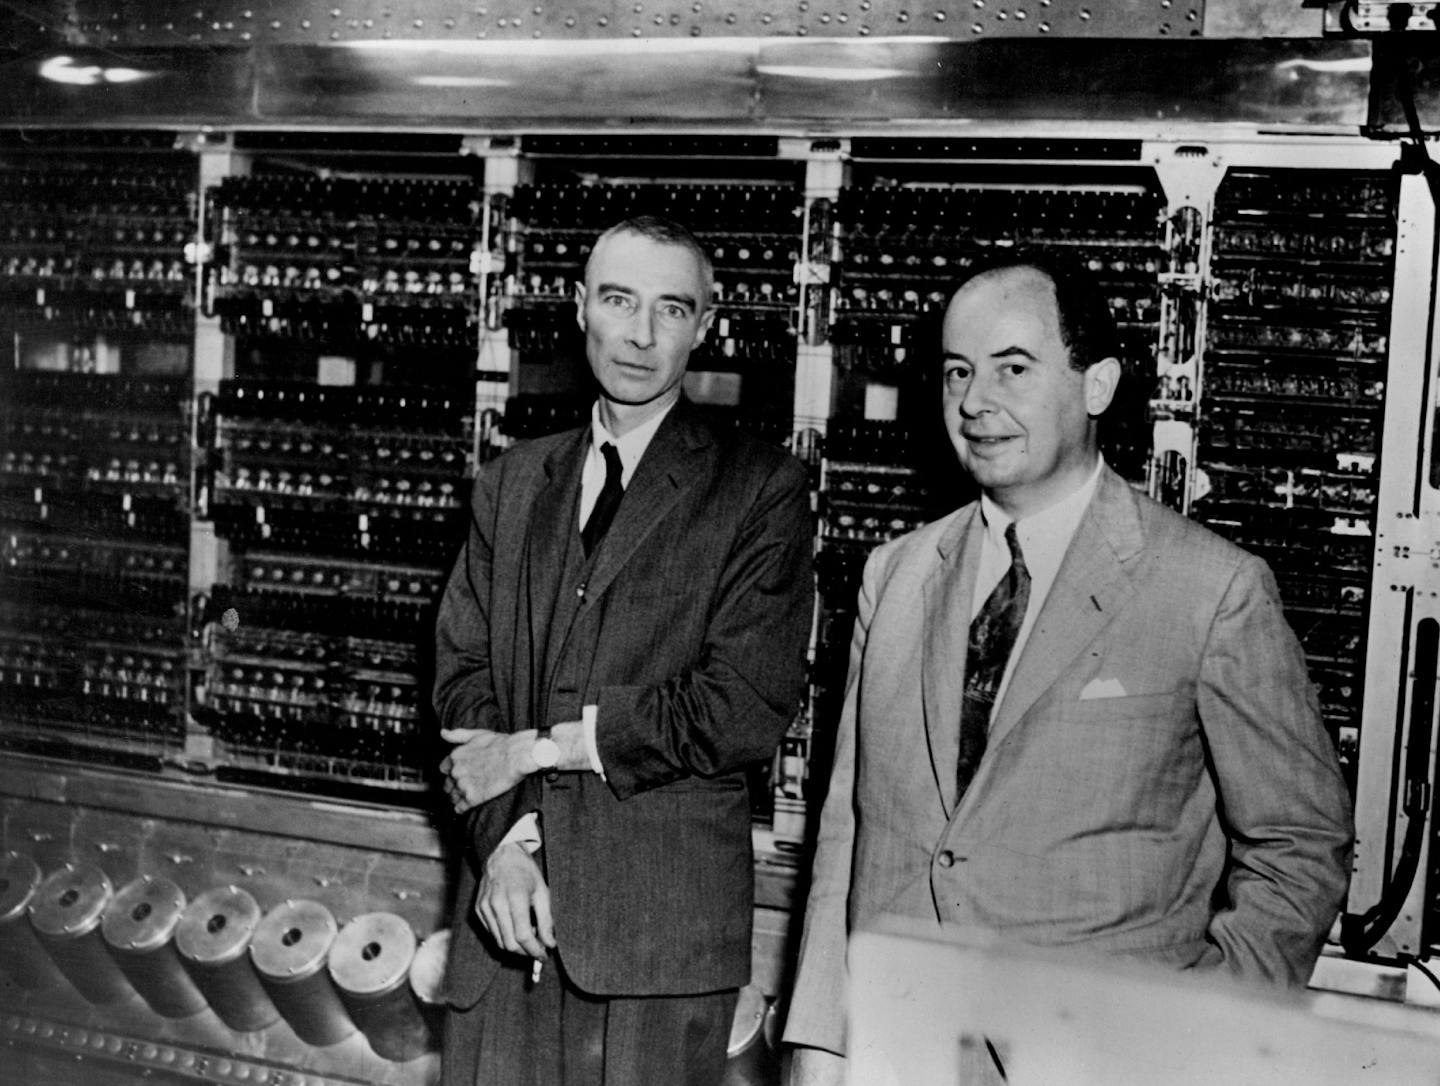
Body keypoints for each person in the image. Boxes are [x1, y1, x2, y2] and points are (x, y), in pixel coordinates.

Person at [783, 252, 1354, 1084]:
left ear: (1097, 386)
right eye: (957, 373)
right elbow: (849, 825)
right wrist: (818, 1041)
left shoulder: (1210, 589)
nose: (976, 402)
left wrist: (1207, 1031)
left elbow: (1300, 845)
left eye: (1014, 369)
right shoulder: (896, 574)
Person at [433, 215, 814, 1086]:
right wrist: (503, 844)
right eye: (618, 301)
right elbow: (462, 683)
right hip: (503, 928)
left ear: (705, 326)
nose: (641, 336)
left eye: (671, 310)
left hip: (656, 951)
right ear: (579, 309)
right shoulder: (513, 482)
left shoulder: (760, 490)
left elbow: (741, 707)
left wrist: (538, 749)